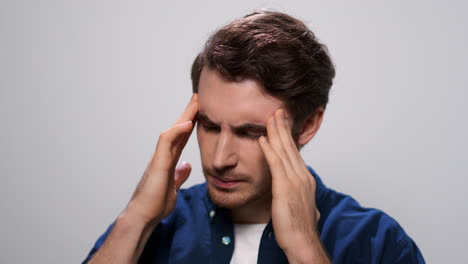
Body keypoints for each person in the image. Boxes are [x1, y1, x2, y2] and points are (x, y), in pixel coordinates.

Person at [82, 10, 425, 263]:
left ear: (307, 125)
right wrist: (138, 218)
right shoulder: (154, 226)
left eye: (250, 132)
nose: (219, 160)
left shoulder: (378, 242)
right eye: (210, 126)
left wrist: (304, 246)